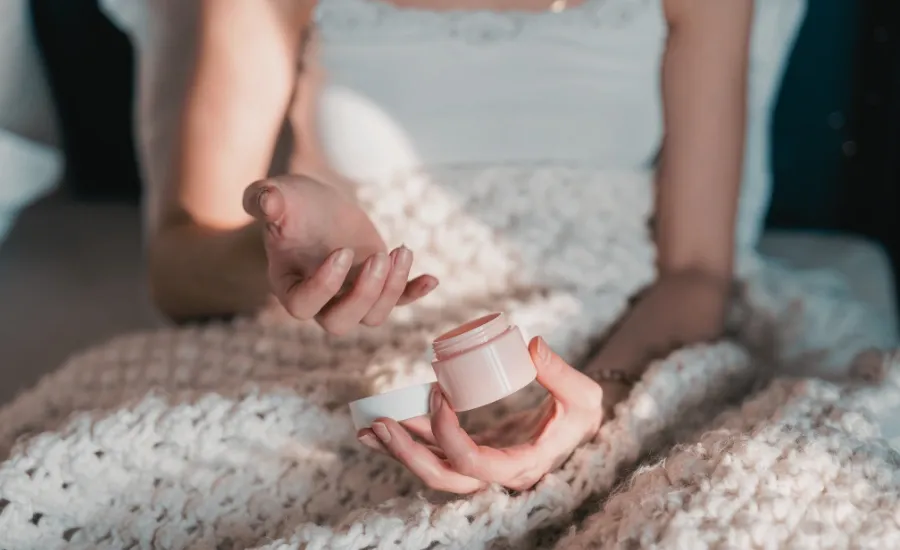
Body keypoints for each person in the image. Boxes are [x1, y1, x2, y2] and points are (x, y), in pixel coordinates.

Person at [143, 0, 752, 494]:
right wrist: (291, 259)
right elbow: (178, 274)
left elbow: (697, 272)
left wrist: (597, 403)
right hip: (347, 365)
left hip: (618, 346)